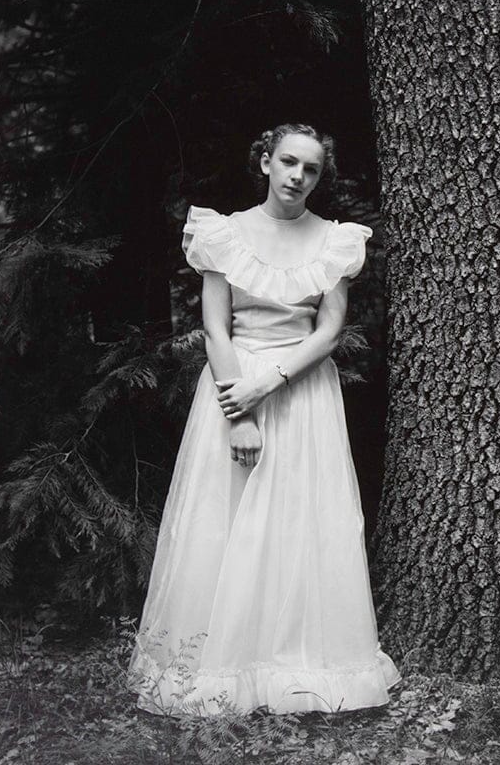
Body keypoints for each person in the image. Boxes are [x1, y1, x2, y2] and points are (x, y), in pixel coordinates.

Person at [128, 123, 400, 716]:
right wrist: (240, 411)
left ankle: (295, 667)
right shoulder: (223, 234)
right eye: (288, 162)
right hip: (232, 387)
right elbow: (217, 328)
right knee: (223, 524)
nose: (298, 176)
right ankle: (218, 666)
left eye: (311, 169)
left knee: (301, 525)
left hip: (301, 391)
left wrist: (269, 384)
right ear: (265, 163)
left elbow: (328, 331)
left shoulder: (335, 241)